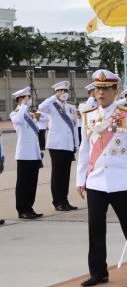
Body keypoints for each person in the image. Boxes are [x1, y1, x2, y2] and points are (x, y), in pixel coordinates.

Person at [76, 70, 127, 287]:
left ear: (115, 91)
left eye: (105, 89)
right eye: (97, 89)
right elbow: (84, 148)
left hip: (121, 179)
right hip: (96, 180)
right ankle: (98, 272)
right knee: (95, 227)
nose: (100, 93)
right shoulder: (88, 115)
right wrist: (80, 179)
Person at [38, 80, 79, 211]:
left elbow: (74, 126)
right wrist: (54, 97)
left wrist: (76, 144)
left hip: (68, 145)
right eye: (61, 91)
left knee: (66, 175)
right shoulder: (51, 105)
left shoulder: (70, 108)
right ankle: (58, 202)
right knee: (57, 175)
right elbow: (41, 107)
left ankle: (65, 200)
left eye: (66, 91)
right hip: (56, 145)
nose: (64, 93)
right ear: (56, 92)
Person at [10, 87, 44, 219]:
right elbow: (18, 121)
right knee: (23, 183)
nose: (29, 100)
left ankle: (29, 207)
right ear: (20, 99)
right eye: (27, 98)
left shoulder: (29, 114)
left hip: (33, 154)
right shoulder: (15, 114)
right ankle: (22, 209)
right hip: (24, 154)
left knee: (31, 183)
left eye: (29, 98)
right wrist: (23, 105)